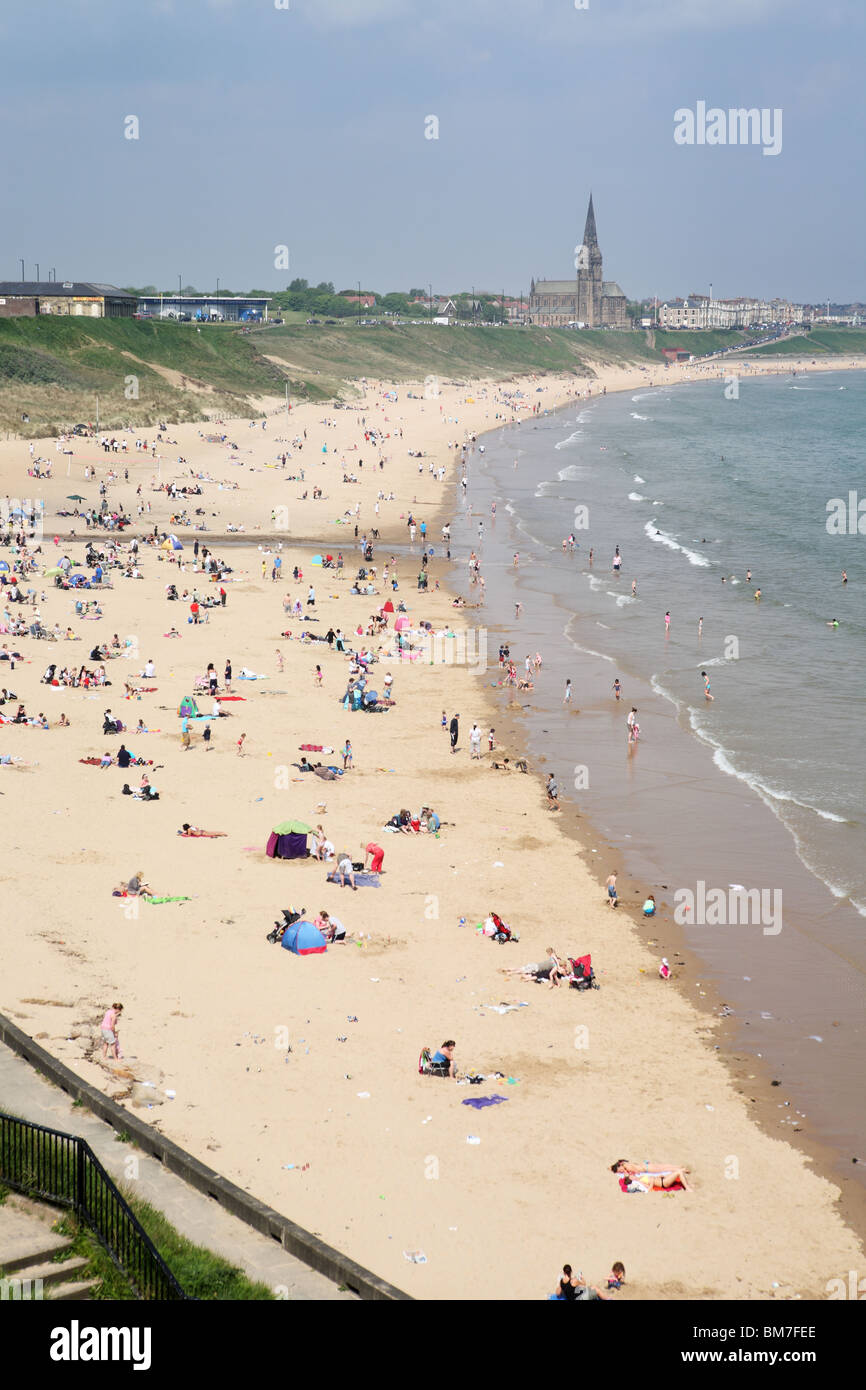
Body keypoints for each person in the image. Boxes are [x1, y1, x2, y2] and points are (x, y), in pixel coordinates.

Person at [610, 1159, 691, 1191]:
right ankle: (681, 1168)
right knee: (665, 1167)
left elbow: (637, 1171)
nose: (620, 1171)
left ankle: (682, 1170)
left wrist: (633, 1173)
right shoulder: (624, 1163)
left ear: (619, 1166)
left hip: (647, 1169)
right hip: (647, 1165)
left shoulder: (627, 1167)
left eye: (619, 1170)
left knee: (664, 1169)